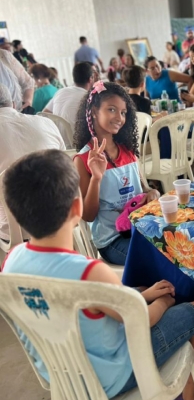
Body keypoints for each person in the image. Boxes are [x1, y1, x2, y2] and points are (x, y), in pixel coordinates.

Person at [2, 150, 194, 400]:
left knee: (140, 290)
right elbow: (142, 320)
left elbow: (94, 301)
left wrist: (143, 295)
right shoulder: (91, 273)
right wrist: (163, 302)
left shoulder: (11, 262)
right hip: (112, 379)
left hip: (60, 378)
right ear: (77, 208)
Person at [73, 81, 160, 265]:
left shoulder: (128, 151)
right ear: (94, 111)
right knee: (158, 256)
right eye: (111, 109)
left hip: (140, 228)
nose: (119, 118)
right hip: (112, 240)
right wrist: (96, 178)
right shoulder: (83, 159)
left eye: (123, 112)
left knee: (177, 243)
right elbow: (88, 216)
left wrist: (152, 193)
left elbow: (144, 189)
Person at [0, 83, 64, 242]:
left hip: (14, 231)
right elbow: (66, 168)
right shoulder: (46, 123)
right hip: (61, 217)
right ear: (13, 104)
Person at [44, 62, 95, 130]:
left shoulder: (60, 92)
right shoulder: (90, 98)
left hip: (57, 135)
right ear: (90, 79)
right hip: (77, 136)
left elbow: (44, 114)